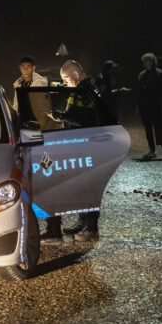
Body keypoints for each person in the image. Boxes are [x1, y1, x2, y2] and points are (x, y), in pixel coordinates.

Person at [41, 60, 100, 244]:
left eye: (66, 78)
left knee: (86, 186)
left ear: (75, 74)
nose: (64, 83)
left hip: (85, 145)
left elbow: (85, 120)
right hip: (78, 144)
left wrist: (62, 116)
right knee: (81, 186)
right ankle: (83, 224)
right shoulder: (82, 89)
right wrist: (63, 117)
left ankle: (90, 229)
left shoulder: (86, 91)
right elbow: (78, 115)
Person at [137, 53, 162, 160]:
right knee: (148, 129)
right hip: (145, 106)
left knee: (160, 128)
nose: (145, 63)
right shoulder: (142, 75)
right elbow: (139, 91)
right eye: (144, 61)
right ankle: (152, 151)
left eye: (147, 61)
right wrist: (138, 105)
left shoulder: (159, 73)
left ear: (152, 62)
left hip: (156, 105)